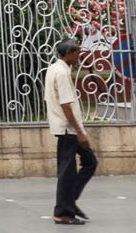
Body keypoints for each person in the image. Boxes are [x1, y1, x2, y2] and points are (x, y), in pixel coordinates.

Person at [46, 39, 98, 225]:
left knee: (89, 162)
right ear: (68, 53)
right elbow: (66, 104)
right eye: (77, 52)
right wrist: (79, 131)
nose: (79, 56)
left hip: (66, 128)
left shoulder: (54, 69)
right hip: (68, 129)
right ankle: (62, 212)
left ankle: (68, 201)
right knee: (67, 171)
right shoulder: (61, 73)